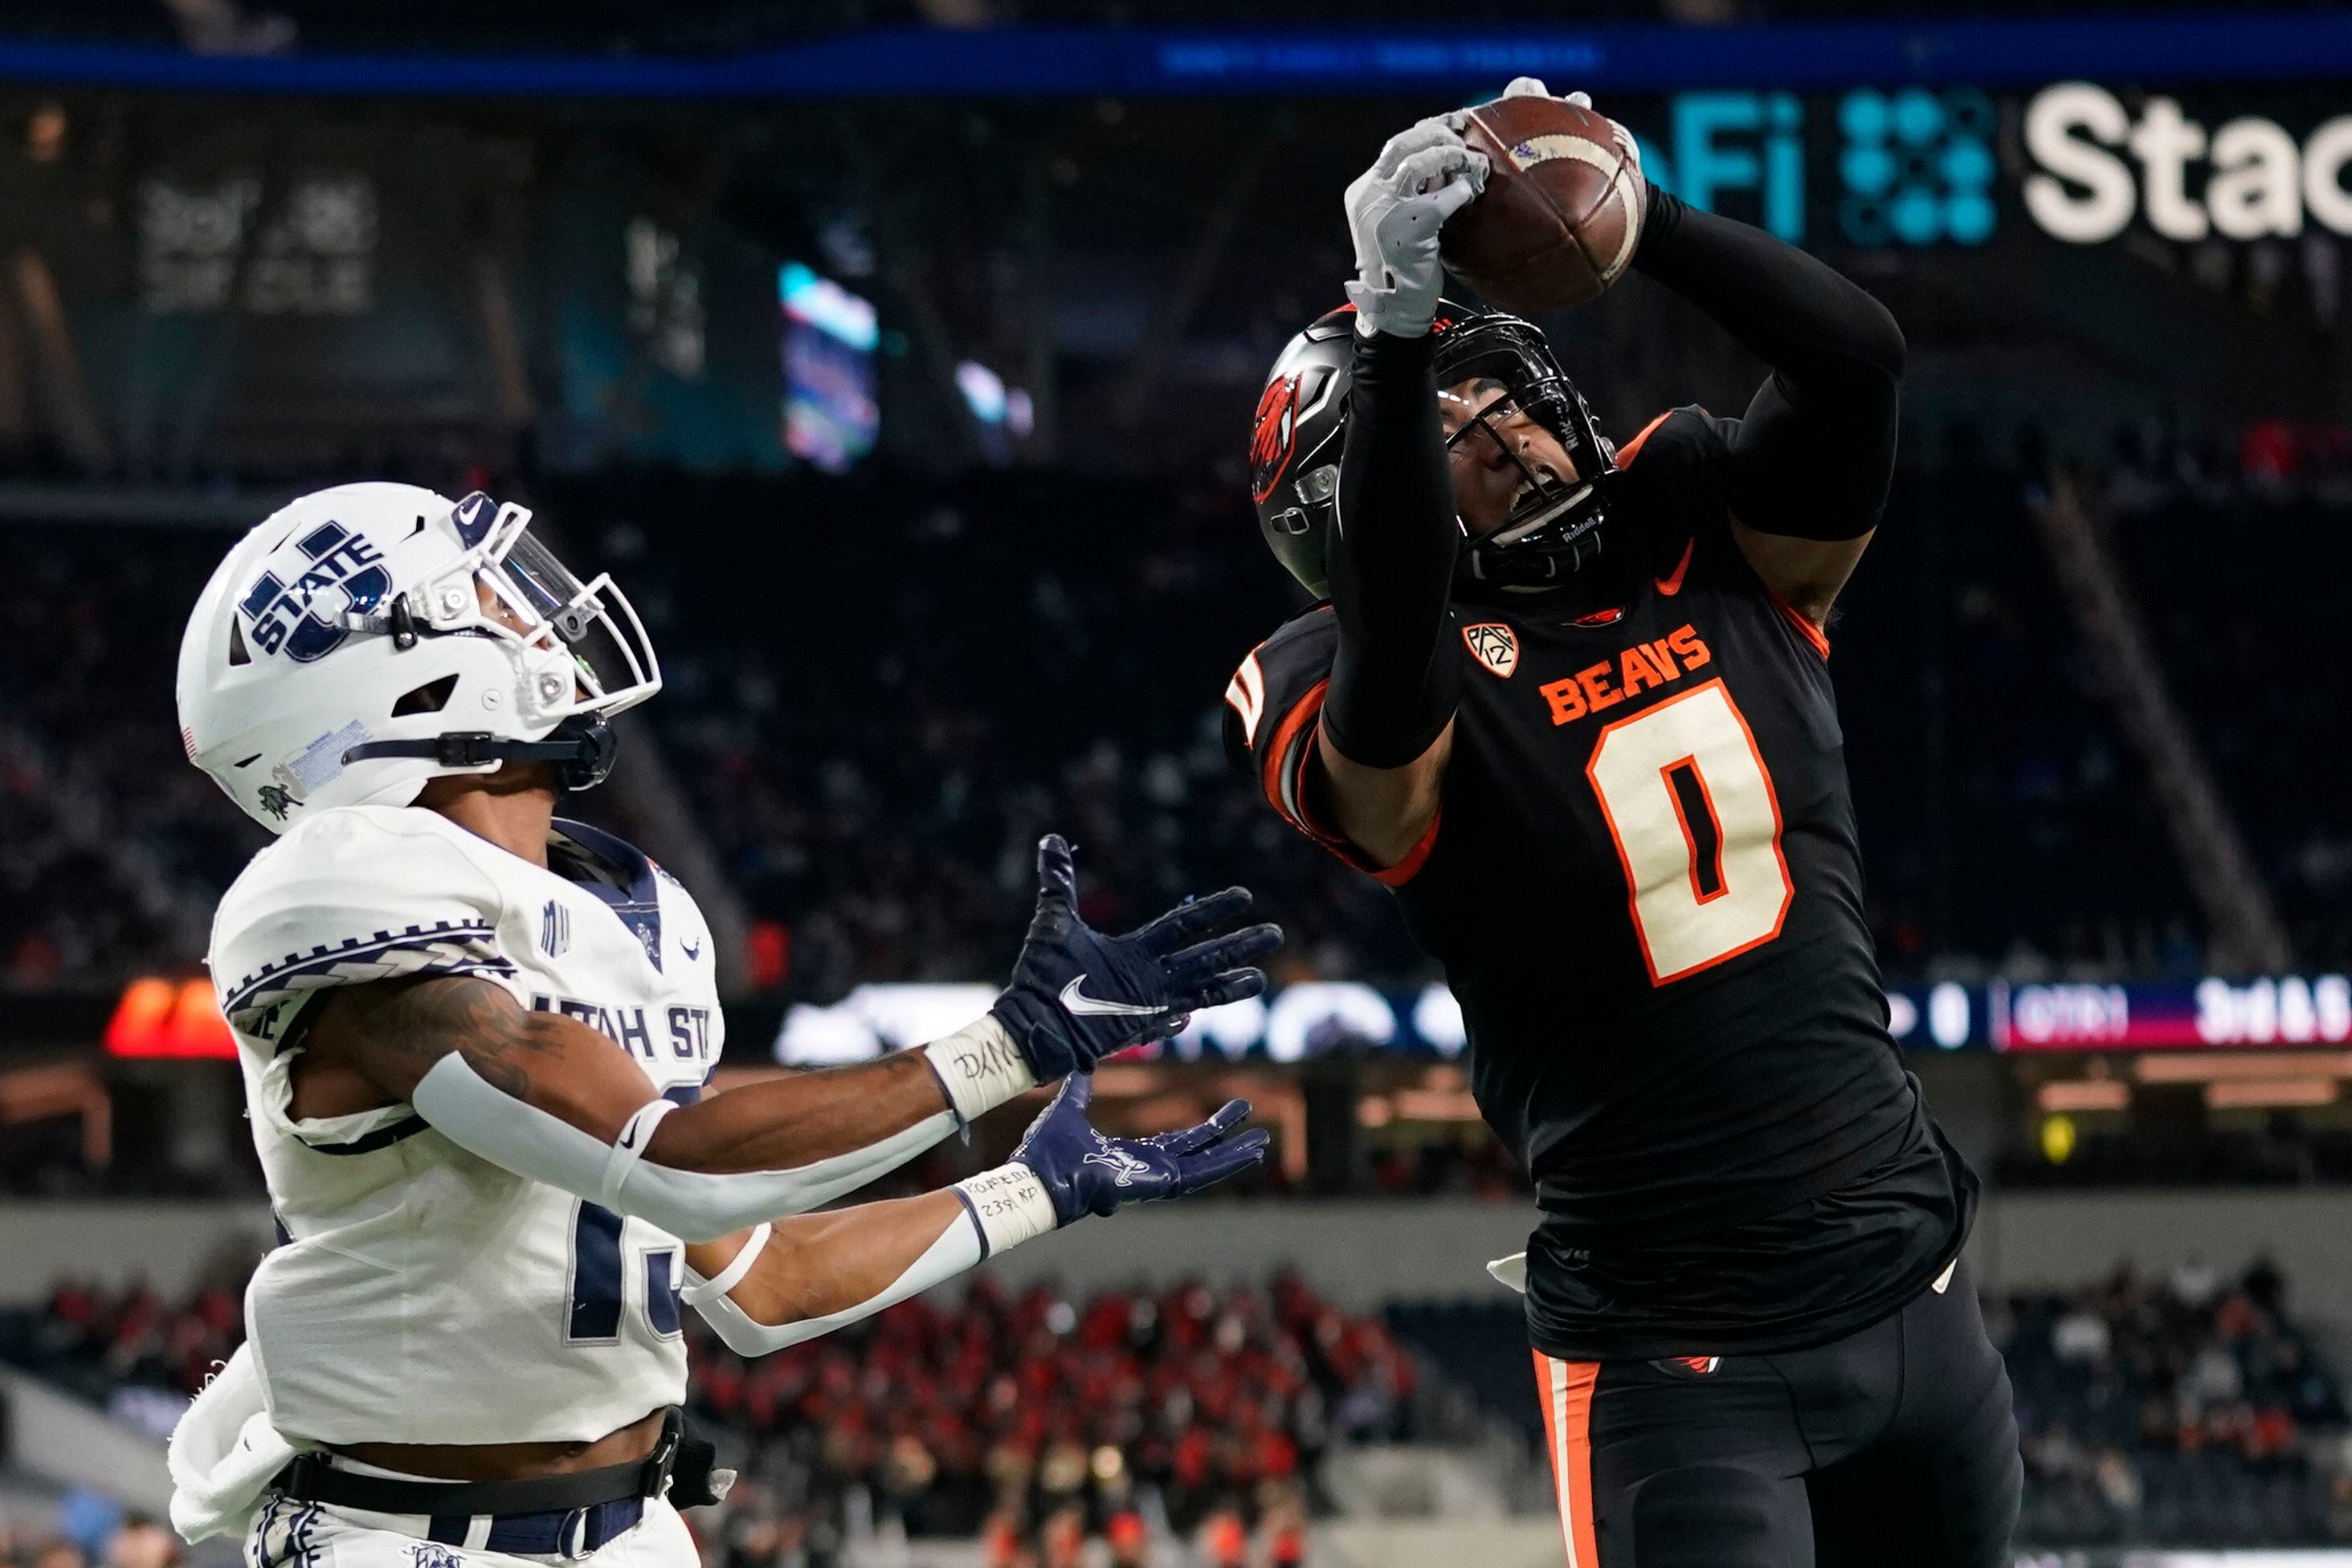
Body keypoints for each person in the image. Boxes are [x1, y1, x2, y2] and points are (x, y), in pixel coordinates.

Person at [169, 483, 1279, 1568]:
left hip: (634, 1529)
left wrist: (1031, 1189)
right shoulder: (337, 885)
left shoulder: (629, 907)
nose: (532, 612)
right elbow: (672, 1168)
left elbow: (757, 1280)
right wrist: (1008, 1048)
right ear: (393, 680)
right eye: (485, 596)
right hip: (398, 1539)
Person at [1227, 81, 2019, 1566]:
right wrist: (1395, 353)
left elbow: (1857, 362)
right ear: (1360, 511)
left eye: (1509, 394)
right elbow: (1393, 686)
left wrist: (1636, 217)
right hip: (1681, 1367)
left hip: (1922, 1299)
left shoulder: (1696, 525)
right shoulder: (1341, 676)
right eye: (1457, 433)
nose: (1514, 438)